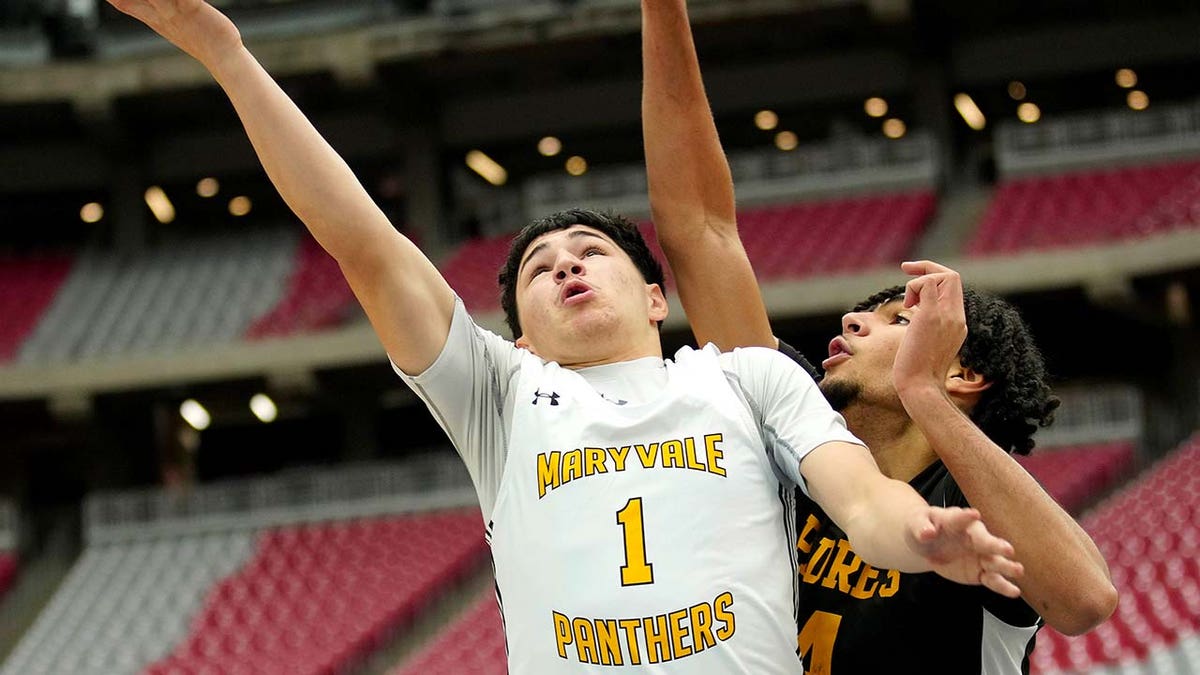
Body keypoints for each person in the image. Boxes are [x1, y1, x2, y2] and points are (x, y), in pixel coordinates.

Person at [109, 1, 1024, 672]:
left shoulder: (748, 378)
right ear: (522, 335)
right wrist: (227, 54)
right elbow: (364, 242)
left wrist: (927, 537)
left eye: (590, 250)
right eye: (538, 268)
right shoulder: (502, 397)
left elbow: (866, 507)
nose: (565, 266)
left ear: (657, 297)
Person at [639, 0, 1119, 672]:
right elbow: (699, 229)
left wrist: (917, 388)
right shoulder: (801, 435)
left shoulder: (968, 509)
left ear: (964, 372)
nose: (851, 320)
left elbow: (1087, 600)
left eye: (897, 318)